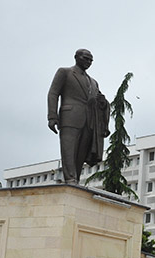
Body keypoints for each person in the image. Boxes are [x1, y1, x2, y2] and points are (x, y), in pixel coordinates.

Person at [47, 49, 110, 184]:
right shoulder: (65, 72)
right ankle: (70, 178)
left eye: (90, 60)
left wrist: (103, 103)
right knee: (68, 150)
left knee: (81, 153)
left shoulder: (93, 82)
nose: (88, 62)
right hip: (69, 117)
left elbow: (97, 100)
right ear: (76, 57)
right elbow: (53, 93)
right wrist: (52, 116)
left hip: (89, 121)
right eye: (85, 58)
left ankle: (75, 179)